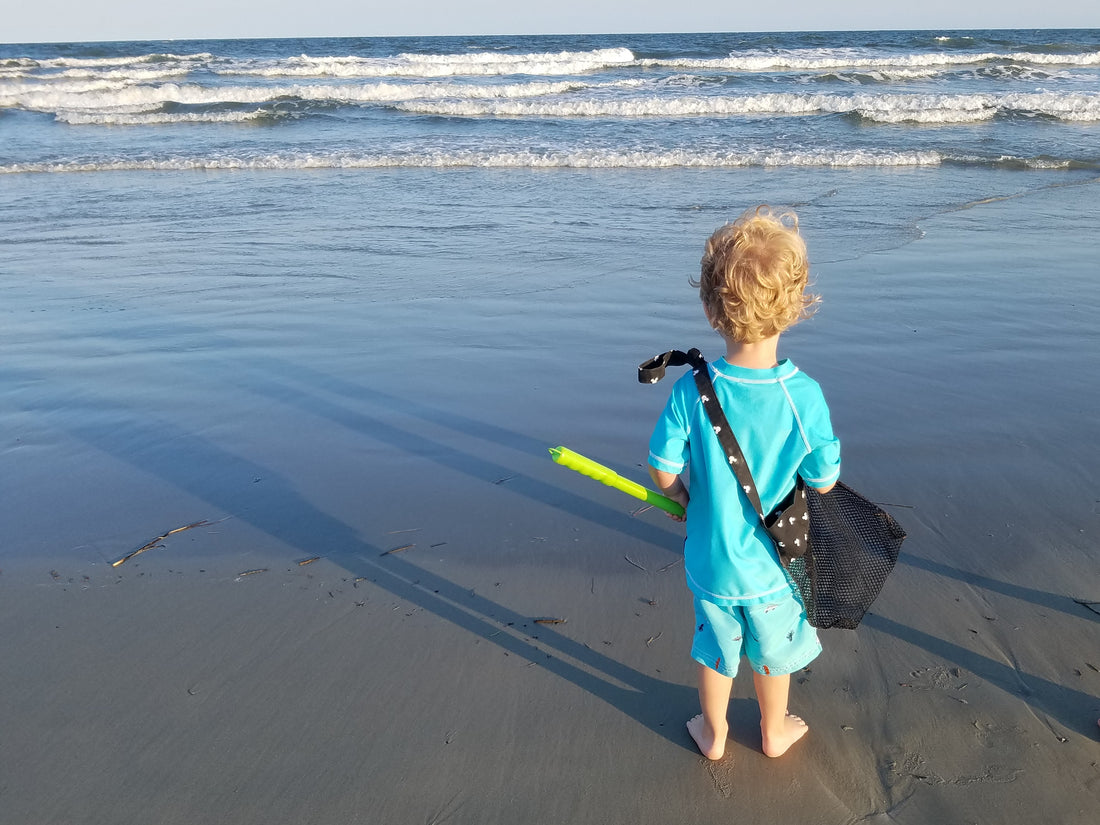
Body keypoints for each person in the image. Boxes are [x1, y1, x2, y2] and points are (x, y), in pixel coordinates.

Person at [647, 206, 841, 761]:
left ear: (712, 310)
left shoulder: (692, 389)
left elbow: (661, 465)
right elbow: (824, 481)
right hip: (775, 565)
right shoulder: (802, 397)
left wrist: (679, 499)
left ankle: (714, 734)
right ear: (796, 306)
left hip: (710, 559)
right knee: (771, 652)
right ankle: (773, 732)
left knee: (715, 650)